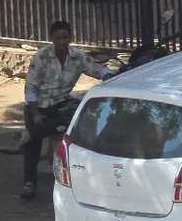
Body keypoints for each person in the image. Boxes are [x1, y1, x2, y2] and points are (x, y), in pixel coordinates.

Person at [21, 20, 115, 201]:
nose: (62, 42)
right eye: (58, 38)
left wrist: (113, 77)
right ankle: (29, 182)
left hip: (62, 103)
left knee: (82, 127)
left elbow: (99, 70)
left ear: (70, 37)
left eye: (65, 37)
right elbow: (31, 88)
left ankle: (73, 177)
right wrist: (35, 114)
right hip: (38, 106)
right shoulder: (41, 57)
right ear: (52, 39)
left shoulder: (78, 57)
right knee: (33, 141)